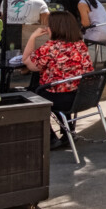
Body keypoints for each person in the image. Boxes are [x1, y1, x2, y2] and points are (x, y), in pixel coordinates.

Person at [23, 11, 93, 150]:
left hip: (62, 98)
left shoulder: (50, 47)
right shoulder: (81, 45)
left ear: (55, 27)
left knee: (30, 95)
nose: (47, 28)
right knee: (52, 88)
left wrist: (32, 37)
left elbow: (27, 62)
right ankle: (68, 133)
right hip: (83, 96)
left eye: (49, 25)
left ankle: (50, 137)